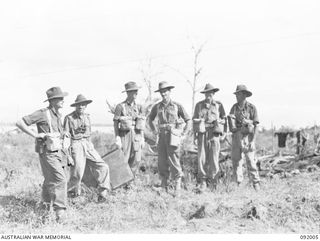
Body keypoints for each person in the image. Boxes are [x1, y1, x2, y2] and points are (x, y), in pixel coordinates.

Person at [16, 86, 68, 222]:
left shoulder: (57, 115)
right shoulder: (42, 113)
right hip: (47, 153)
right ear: (51, 101)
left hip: (58, 152)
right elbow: (20, 122)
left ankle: (44, 208)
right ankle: (60, 212)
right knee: (60, 180)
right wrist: (35, 135)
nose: (62, 100)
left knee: (49, 180)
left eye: (62, 98)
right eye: (59, 98)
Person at [64, 94, 111, 202]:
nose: (81, 107)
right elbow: (66, 137)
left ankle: (103, 193)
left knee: (103, 166)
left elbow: (88, 134)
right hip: (75, 144)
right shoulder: (69, 118)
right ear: (75, 106)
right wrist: (68, 155)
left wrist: (90, 146)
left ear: (86, 106)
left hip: (87, 144)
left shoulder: (87, 117)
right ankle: (70, 197)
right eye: (79, 105)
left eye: (83, 105)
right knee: (77, 173)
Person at [149, 81, 191, 195]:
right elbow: (150, 119)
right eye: (161, 92)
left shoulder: (177, 106)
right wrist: (154, 131)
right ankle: (164, 185)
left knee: (174, 160)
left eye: (165, 91)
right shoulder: (157, 106)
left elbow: (188, 120)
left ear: (169, 91)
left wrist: (184, 135)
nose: (163, 94)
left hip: (173, 136)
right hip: (161, 136)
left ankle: (177, 186)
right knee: (162, 161)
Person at [192, 83, 226, 191]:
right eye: (206, 93)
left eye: (210, 93)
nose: (208, 95)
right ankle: (202, 181)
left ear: (213, 93)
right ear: (204, 94)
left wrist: (223, 132)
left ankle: (214, 182)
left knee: (214, 158)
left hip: (214, 133)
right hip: (202, 133)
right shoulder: (199, 105)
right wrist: (195, 136)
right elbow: (194, 120)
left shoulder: (218, 105)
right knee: (201, 158)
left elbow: (225, 119)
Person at [229, 84, 260, 190]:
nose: (237, 96)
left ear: (244, 95)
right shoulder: (234, 107)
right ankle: (238, 184)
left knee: (251, 160)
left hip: (248, 137)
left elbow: (256, 125)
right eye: (236, 94)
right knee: (236, 160)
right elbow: (231, 124)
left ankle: (256, 183)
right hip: (237, 136)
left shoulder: (251, 108)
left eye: (239, 94)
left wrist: (253, 141)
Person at [113, 82, 145, 177]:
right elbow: (115, 123)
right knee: (124, 158)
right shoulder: (120, 106)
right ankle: (122, 180)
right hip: (124, 135)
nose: (136, 93)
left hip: (137, 134)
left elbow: (141, 124)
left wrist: (142, 138)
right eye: (133, 91)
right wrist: (117, 137)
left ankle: (131, 180)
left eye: (136, 91)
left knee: (136, 158)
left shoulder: (139, 107)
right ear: (128, 93)